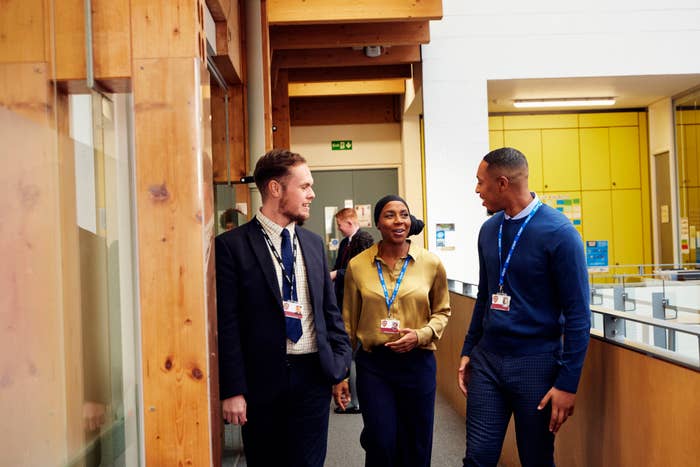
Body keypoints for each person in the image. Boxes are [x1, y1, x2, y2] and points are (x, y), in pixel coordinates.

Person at [216, 148, 352, 467]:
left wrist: (341, 363)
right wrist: (232, 389)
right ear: (276, 188)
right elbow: (227, 323)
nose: (312, 194)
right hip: (262, 381)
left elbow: (330, 312)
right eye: (304, 186)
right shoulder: (232, 247)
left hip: (313, 377)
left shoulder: (313, 243)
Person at [459, 147, 590, 467]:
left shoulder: (560, 234)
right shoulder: (489, 231)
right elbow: (486, 296)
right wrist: (468, 349)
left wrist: (567, 384)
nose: (477, 190)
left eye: (481, 182)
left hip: (536, 364)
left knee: (536, 459)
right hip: (488, 360)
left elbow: (578, 315)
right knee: (477, 457)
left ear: (502, 183)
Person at [335, 195, 451, 467]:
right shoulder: (358, 265)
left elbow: (442, 312)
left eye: (404, 214)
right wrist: (340, 374)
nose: (398, 220)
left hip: (418, 362)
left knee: (417, 442)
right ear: (377, 223)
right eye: (389, 215)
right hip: (374, 365)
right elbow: (348, 323)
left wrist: (420, 335)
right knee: (380, 440)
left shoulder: (430, 263)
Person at [330, 208, 374, 414]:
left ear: (349, 222)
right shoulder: (344, 243)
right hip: (343, 300)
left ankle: (355, 401)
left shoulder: (364, 239)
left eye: (339, 224)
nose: (338, 228)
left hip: (359, 303)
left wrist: (335, 274)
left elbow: (362, 271)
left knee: (353, 353)